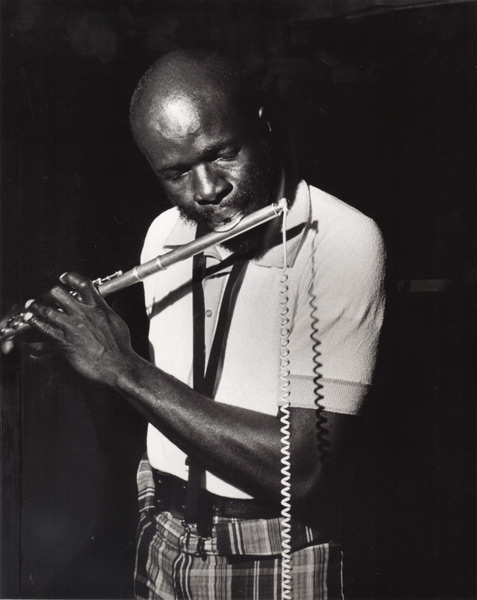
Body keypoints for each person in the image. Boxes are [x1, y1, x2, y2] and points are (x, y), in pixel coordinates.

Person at [1, 50, 386, 599]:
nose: (206, 190)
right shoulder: (164, 233)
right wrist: (68, 346)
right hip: (161, 529)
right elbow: (173, 403)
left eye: (222, 155)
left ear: (261, 123)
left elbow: (303, 469)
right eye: (176, 173)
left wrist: (121, 367)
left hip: (274, 552)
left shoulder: (345, 241)